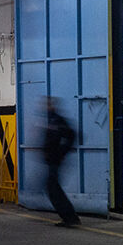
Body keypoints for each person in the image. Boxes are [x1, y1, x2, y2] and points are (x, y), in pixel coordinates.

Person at [41, 96, 80, 227]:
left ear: (52, 106)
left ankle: (70, 218)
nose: (44, 107)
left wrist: (62, 152)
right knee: (52, 188)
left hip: (55, 160)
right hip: (51, 160)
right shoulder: (50, 120)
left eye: (46, 105)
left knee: (53, 188)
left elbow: (71, 135)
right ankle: (69, 217)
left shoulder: (57, 120)